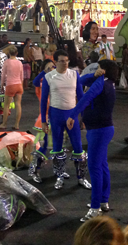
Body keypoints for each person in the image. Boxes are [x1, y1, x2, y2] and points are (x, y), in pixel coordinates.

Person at [68, 60, 118, 221]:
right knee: (102, 165)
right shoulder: (108, 83)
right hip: (104, 128)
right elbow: (80, 82)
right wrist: (93, 75)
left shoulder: (101, 83)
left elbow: (86, 97)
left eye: (99, 68)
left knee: (95, 167)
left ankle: (95, 208)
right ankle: (103, 201)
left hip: (98, 130)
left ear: (103, 70)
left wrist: (73, 114)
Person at [40, 49, 91, 190]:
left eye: (67, 61)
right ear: (55, 62)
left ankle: (81, 177)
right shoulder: (49, 77)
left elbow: (81, 97)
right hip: (55, 115)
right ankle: (59, 176)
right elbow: (44, 100)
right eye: (62, 61)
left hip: (72, 115)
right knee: (57, 148)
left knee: (78, 147)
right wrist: (44, 121)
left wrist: (83, 117)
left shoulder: (74, 75)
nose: (65, 63)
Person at [28, 59, 55, 183]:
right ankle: (34, 169)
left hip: (58, 118)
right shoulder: (43, 84)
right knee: (44, 145)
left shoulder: (58, 81)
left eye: (53, 67)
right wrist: (44, 72)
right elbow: (34, 82)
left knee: (59, 146)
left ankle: (59, 170)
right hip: (45, 119)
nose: (52, 70)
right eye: (48, 68)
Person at [0, 46, 24, 130]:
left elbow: (3, 75)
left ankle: (4, 124)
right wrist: (21, 86)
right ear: (16, 53)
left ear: (9, 53)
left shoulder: (7, 62)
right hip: (19, 85)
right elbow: (22, 76)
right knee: (18, 105)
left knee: (6, 105)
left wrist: (1, 85)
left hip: (10, 85)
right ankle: (17, 124)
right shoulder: (20, 63)